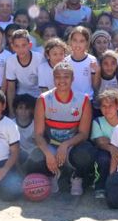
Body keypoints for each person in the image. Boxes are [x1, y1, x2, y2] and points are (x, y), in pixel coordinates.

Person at [29, 61, 96, 196]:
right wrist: (48, 154)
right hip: (51, 145)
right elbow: (38, 134)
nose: (62, 80)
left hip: (72, 146)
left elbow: (83, 134)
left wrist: (65, 145)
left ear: (73, 79)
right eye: (58, 77)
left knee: (87, 152)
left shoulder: (83, 100)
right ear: (53, 79)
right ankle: (52, 174)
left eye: (66, 76)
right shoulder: (43, 99)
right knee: (36, 156)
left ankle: (76, 176)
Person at [91, 89, 118, 200]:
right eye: (104, 106)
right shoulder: (98, 121)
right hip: (105, 152)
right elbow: (99, 142)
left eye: (110, 106)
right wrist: (111, 147)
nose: (107, 109)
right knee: (103, 159)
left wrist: (109, 141)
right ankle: (100, 186)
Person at [5, 29, 42, 117]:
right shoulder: (10, 60)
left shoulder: (39, 59)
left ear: (30, 45)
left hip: (38, 95)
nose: (20, 49)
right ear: (12, 47)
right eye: (17, 46)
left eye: (24, 45)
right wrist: (11, 111)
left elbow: (44, 86)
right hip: (21, 95)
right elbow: (11, 88)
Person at [65, 26, 99, 101]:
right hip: (70, 100)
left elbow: (95, 85)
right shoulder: (65, 61)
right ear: (70, 41)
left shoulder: (92, 60)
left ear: (87, 42)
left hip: (87, 100)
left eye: (82, 41)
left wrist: (97, 72)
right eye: (75, 40)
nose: (78, 44)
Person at [12, 93, 36, 168]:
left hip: (35, 155)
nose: (23, 111)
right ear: (16, 110)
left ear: (31, 110)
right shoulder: (11, 125)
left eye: (27, 108)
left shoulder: (37, 124)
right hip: (17, 154)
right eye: (20, 108)